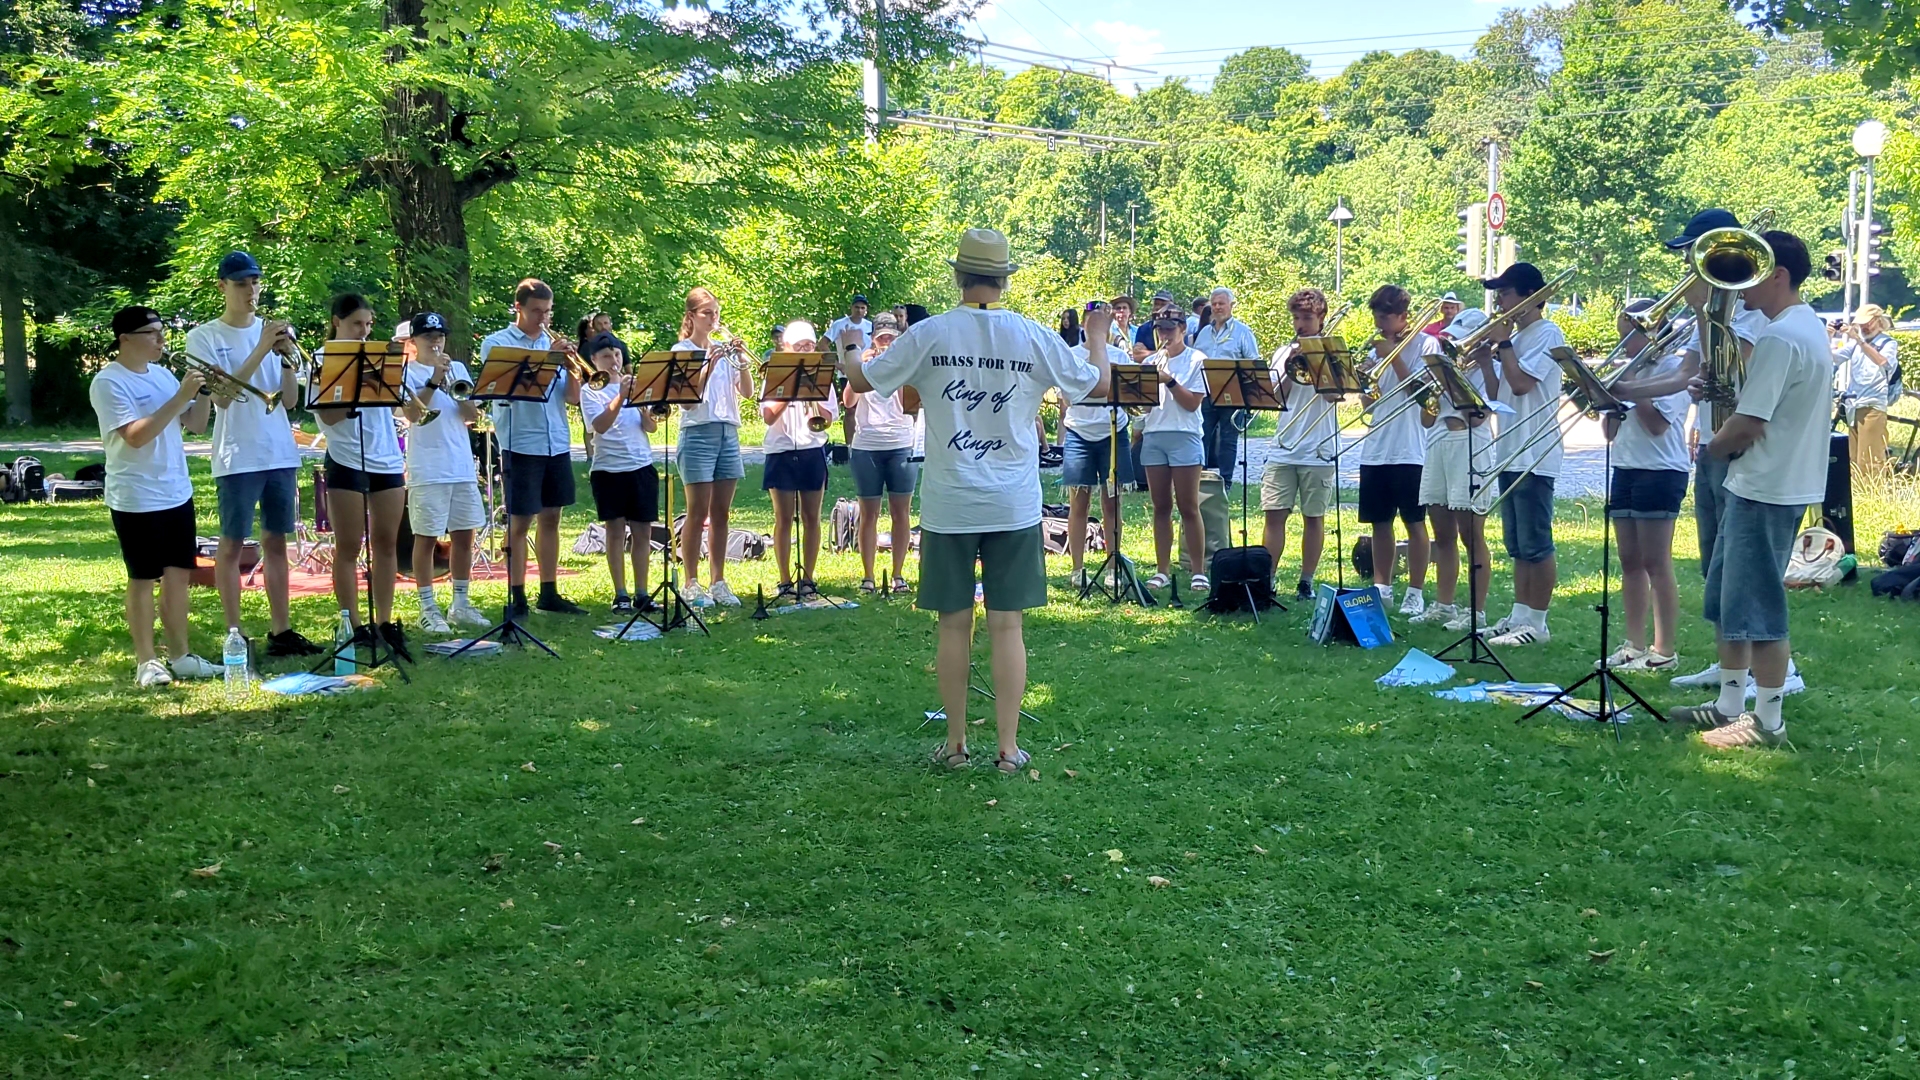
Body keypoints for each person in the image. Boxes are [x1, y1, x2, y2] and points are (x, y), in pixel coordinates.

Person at [838, 228, 1113, 774]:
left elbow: (860, 380)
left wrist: (848, 342)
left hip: (951, 502)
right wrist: (1097, 336)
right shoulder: (1031, 335)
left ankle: (956, 745)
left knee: (953, 625)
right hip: (1012, 502)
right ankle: (1008, 749)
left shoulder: (931, 333)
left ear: (959, 276)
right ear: (1004, 280)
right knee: (1008, 627)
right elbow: (1099, 385)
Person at [1673, 231, 1829, 749]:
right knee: (1730, 599)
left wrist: (1713, 448)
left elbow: (1749, 424)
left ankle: (1767, 721)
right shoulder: (1805, 325)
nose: (1741, 290)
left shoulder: (1780, 337)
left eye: (1751, 278)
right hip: (1773, 482)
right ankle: (1729, 704)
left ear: (1778, 276)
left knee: (1759, 608)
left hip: (1764, 485)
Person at [187, 251, 323, 658]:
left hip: (279, 451)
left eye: (255, 282)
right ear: (222, 287)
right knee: (231, 544)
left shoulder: (273, 333)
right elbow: (222, 399)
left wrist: (286, 360)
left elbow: (291, 401)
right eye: (241, 283)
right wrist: (262, 347)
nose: (251, 290)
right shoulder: (205, 337)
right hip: (237, 454)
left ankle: (282, 631)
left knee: (277, 541)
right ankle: (235, 633)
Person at [91, 305, 218, 686]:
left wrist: (204, 392)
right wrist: (181, 396)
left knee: (178, 575)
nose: (161, 340)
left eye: (162, 331)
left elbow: (196, 425)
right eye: (152, 333)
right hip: (136, 494)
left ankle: (181, 655)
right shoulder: (108, 382)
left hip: (176, 490)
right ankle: (147, 661)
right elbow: (136, 436)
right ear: (125, 339)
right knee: (143, 578)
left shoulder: (162, 375)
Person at [308, 294, 411, 659]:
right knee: (350, 546)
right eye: (357, 324)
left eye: (368, 324)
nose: (364, 331)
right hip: (346, 457)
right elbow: (328, 417)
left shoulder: (380, 358)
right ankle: (351, 625)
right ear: (337, 322)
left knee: (386, 544)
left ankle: (384, 622)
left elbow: (403, 408)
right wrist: (354, 388)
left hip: (386, 457)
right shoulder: (323, 360)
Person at [1473, 261, 1566, 646]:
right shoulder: (1518, 337)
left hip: (1535, 452)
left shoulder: (1548, 333)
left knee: (1536, 543)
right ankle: (1520, 615)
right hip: (1511, 450)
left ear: (1530, 296)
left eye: (1505, 293)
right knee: (1517, 544)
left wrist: (1504, 344)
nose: (1499, 301)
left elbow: (1523, 384)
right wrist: (1485, 361)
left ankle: (1537, 623)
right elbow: (1500, 395)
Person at [480, 278, 586, 619]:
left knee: (552, 517)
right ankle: (517, 595)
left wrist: (573, 368)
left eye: (548, 312)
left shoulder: (552, 345)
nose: (543, 318)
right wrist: (550, 360)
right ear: (519, 308)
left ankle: (549, 592)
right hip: (521, 442)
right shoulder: (497, 344)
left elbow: (572, 398)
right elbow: (509, 388)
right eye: (537, 311)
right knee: (520, 520)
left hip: (556, 440)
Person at [1601, 300, 1693, 672]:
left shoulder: (1673, 369)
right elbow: (1609, 432)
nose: (1623, 345)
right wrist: (1607, 398)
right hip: (1625, 466)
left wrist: (1632, 387)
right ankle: (1634, 644)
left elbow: (1657, 426)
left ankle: (1664, 650)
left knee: (1656, 561)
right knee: (1629, 561)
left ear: (1652, 335)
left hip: (1660, 470)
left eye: (1629, 336)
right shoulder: (1631, 369)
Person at [399, 313, 490, 634]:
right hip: (428, 467)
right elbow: (411, 414)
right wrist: (434, 380)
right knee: (426, 538)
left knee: (464, 535)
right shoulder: (406, 372)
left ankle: (460, 604)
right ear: (414, 341)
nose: (436, 342)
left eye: (440, 336)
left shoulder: (458, 369)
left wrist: (457, 390)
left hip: (460, 465)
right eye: (428, 337)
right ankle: (427, 607)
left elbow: (472, 416)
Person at [1415, 308, 1500, 631]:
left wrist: (1451, 381)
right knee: (1442, 534)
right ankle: (1444, 604)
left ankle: (1476, 611)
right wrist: (1429, 389)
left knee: (1471, 536)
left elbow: (1477, 417)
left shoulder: (1489, 371)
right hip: (1437, 445)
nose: (1454, 347)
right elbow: (1427, 419)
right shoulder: (1445, 371)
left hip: (1470, 447)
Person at [671, 287, 755, 608]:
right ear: (691, 317)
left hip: (728, 432)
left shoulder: (724, 351)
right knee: (697, 512)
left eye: (716, 313)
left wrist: (742, 360)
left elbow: (747, 392)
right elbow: (687, 400)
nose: (713, 319)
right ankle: (691, 582)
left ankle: (718, 581)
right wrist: (708, 364)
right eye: (707, 313)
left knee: (721, 512)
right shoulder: (682, 350)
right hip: (697, 432)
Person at [1356, 285, 1436, 617]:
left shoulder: (1425, 344)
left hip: (1411, 448)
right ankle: (1382, 587)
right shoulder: (1376, 348)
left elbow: (1421, 393)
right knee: (1379, 522)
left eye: (1386, 318)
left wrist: (1393, 354)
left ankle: (1415, 592)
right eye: (1377, 317)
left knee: (1414, 522)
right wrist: (1364, 380)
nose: (1380, 324)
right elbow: (1369, 405)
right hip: (1377, 447)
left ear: (1403, 316)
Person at [1261, 289, 1338, 599]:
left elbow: (1334, 395)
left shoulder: (1332, 351)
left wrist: (1315, 361)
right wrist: (1291, 367)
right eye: (1296, 318)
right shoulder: (1283, 352)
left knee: (1313, 517)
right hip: (1283, 446)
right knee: (1274, 514)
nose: (1300, 324)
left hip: (1318, 449)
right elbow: (1275, 398)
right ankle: (1267, 579)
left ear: (1321, 318)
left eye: (1306, 317)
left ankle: (1306, 581)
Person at [579, 331, 659, 613]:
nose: (613, 360)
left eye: (616, 355)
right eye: (606, 356)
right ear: (594, 360)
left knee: (642, 532)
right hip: (608, 469)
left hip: (641, 465)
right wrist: (621, 397)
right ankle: (620, 593)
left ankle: (642, 592)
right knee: (615, 532)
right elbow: (599, 426)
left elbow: (651, 427)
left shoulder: (636, 386)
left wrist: (646, 410)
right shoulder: (590, 390)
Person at [763, 319, 839, 599]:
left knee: (811, 517)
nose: (805, 350)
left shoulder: (821, 376)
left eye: (809, 345)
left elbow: (828, 418)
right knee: (783, 518)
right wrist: (789, 389)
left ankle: (808, 578)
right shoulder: (775, 375)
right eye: (799, 346)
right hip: (781, 449)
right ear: (787, 348)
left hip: (811, 449)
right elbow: (768, 416)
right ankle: (784, 579)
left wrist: (812, 395)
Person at [842, 312, 918, 594]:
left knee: (901, 512)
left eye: (890, 338)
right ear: (872, 339)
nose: (886, 343)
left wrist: (895, 367)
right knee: (868, 513)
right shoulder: (864, 364)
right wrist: (860, 367)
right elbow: (848, 402)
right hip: (867, 445)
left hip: (901, 443)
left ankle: (898, 575)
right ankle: (868, 576)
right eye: (881, 338)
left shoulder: (905, 364)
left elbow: (909, 403)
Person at [1059, 307, 1132, 590]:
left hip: (1113, 431)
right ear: (1084, 326)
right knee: (1079, 503)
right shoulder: (1072, 355)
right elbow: (1068, 397)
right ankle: (1078, 569)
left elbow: (1129, 395)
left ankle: (1113, 567)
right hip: (1079, 431)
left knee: (1112, 503)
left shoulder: (1119, 356)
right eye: (1092, 322)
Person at [1140, 305, 1211, 593]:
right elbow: (1144, 406)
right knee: (1161, 506)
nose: (1165, 335)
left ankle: (1198, 571)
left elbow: (1192, 403)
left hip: (1185, 435)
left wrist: (1168, 380)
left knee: (1188, 506)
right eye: (1160, 330)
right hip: (1154, 435)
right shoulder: (1150, 362)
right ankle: (1162, 570)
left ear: (1183, 329)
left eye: (1170, 329)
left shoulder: (1197, 360)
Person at [1193, 286, 1261, 486]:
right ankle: (1200, 480)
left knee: (1228, 439)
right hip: (1206, 393)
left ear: (1231, 305)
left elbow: (1253, 363)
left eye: (1221, 303)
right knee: (1200, 436)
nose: (1217, 307)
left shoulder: (1243, 332)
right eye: (1214, 304)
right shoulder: (1204, 333)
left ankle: (1226, 482)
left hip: (1233, 394)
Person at [1836, 303, 1900, 475]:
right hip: (1853, 405)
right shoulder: (1855, 344)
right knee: (1854, 459)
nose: (1864, 327)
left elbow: (1883, 362)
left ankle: (1873, 489)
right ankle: (1856, 489)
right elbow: (1833, 358)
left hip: (1873, 404)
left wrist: (1859, 340)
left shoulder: (1888, 343)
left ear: (1878, 321)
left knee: (1870, 460)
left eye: (1868, 323)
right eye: (1861, 324)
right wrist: (1828, 335)